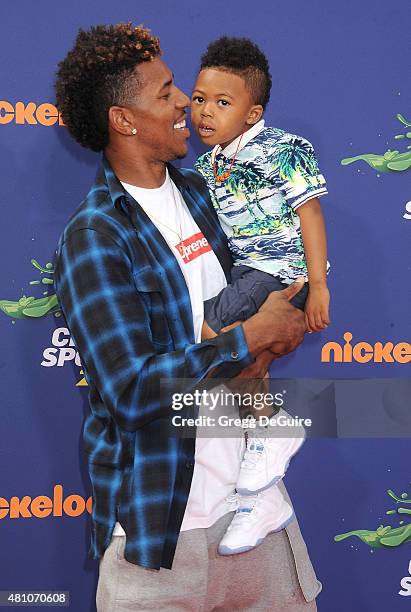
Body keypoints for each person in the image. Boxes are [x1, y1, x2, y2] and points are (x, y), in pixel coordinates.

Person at [54, 22, 321, 611]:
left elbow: (274, 293)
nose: (186, 103)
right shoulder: (95, 236)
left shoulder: (206, 194)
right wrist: (244, 343)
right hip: (157, 537)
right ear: (123, 119)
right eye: (166, 91)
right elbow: (130, 391)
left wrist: (280, 325)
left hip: (255, 517)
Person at [191, 37, 330, 555]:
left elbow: (310, 215)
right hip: (244, 273)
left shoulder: (286, 149)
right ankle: (260, 492)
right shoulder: (207, 166)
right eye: (200, 98)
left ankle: (274, 428)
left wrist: (317, 287)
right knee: (240, 360)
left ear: (253, 113)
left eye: (223, 103)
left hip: (279, 273)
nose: (206, 112)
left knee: (206, 334)